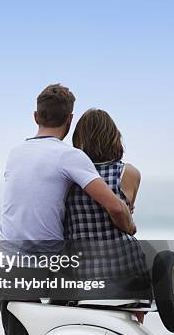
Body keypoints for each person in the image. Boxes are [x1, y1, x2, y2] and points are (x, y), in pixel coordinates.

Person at [0, 85, 136, 335]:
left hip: (8, 259)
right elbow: (115, 206)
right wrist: (129, 225)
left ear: (35, 116)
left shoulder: (15, 154)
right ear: (70, 120)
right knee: (68, 328)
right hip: (52, 264)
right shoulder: (69, 157)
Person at [65, 108, 151, 318]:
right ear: (113, 137)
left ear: (79, 139)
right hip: (124, 265)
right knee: (132, 324)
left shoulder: (68, 177)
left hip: (81, 270)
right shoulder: (129, 173)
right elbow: (126, 218)